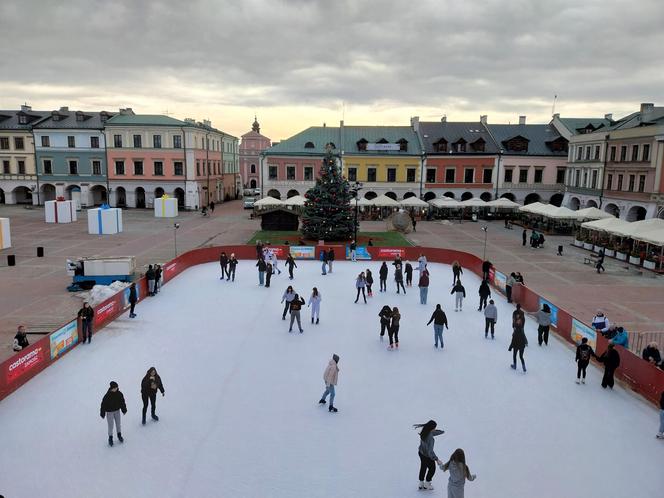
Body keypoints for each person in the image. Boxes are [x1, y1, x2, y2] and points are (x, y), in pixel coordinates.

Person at [413, 420, 444, 490]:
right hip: (427, 456)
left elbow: (432, 433)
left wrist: (440, 432)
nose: (435, 429)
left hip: (421, 453)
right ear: (431, 428)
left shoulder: (424, 431)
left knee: (423, 466)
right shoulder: (430, 438)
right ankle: (427, 483)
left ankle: (421, 483)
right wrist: (437, 459)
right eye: (434, 428)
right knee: (432, 469)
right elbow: (430, 452)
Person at [100, 381, 127, 447]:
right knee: (110, 425)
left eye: (116, 387)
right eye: (114, 388)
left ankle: (119, 435)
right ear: (111, 388)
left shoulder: (119, 394)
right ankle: (110, 438)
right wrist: (102, 413)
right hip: (109, 412)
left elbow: (122, 402)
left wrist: (124, 409)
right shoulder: (107, 395)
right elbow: (103, 405)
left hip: (117, 411)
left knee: (118, 424)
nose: (116, 389)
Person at [509, 307, 528, 372]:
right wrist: (525, 343)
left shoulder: (515, 333)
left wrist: (510, 347)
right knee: (521, 357)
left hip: (516, 346)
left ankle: (514, 365)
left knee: (514, 355)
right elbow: (524, 338)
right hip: (522, 346)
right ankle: (524, 367)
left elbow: (513, 341)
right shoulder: (522, 333)